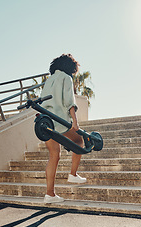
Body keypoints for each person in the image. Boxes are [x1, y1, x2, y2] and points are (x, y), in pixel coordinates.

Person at [40, 54, 86, 203]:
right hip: (59, 120)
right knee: (79, 142)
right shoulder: (66, 78)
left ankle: (50, 195)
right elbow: (69, 101)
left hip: (45, 122)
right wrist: (75, 122)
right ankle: (73, 174)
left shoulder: (50, 80)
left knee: (54, 155)